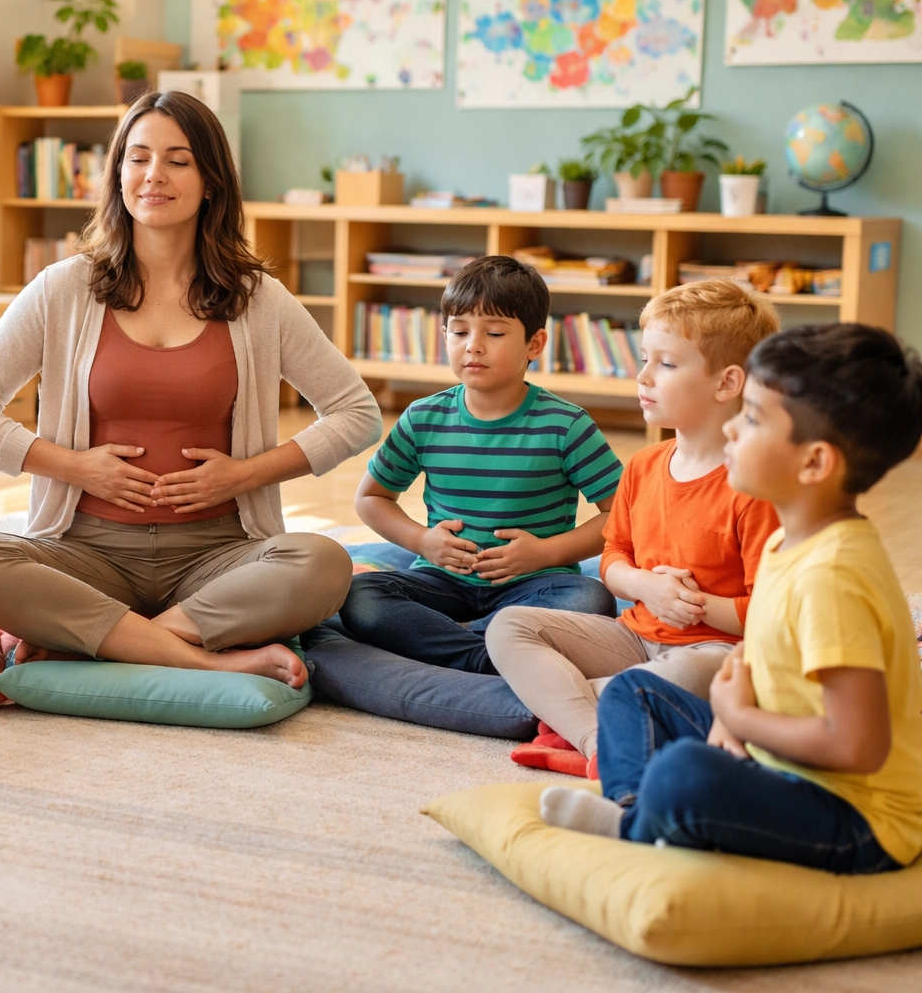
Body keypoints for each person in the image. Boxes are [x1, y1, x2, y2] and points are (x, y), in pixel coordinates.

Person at [0, 89, 381, 687]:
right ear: (118, 171)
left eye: (178, 160)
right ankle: (198, 654)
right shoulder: (63, 288)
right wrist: (75, 467)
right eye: (138, 157)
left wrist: (246, 474)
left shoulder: (258, 298)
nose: (154, 175)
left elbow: (356, 413)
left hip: (218, 555)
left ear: (210, 181)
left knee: (324, 564)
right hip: (86, 551)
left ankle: (106, 640)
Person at [542, 323, 922, 875]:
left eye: (754, 418)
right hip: (782, 760)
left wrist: (739, 717)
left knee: (684, 772)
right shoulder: (788, 537)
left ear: (814, 463)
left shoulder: (833, 576)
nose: (733, 431)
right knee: (634, 694)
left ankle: (641, 821)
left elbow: (858, 747)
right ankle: (634, 816)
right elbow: (769, 641)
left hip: (857, 817)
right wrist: (738, 695)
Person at [488, 279, 782, 776]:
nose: (643, 377)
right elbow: (611, 559)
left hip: (715, 650)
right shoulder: (644, 466)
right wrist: (646, 586)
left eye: (665, 364)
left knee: (698, 669)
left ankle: (571, 714)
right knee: (509, 625)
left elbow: (774, 616)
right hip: (635, 638)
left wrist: (693, 605)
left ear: (727, 383)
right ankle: (596, 738)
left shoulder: (756, 486)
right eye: (644, 359)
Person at [338, 255, 622, 676]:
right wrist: (422, 542)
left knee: (592, 601)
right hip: (443, 579)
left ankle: (462, 644)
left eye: (494, 332)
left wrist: (544, 553)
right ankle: (489, 652)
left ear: (535, 345)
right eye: (459, 331)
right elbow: (371, 498)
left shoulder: (566, 425)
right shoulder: (423, 417)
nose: (473, 344)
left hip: (536, 584)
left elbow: (620, 515)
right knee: (359, 595)